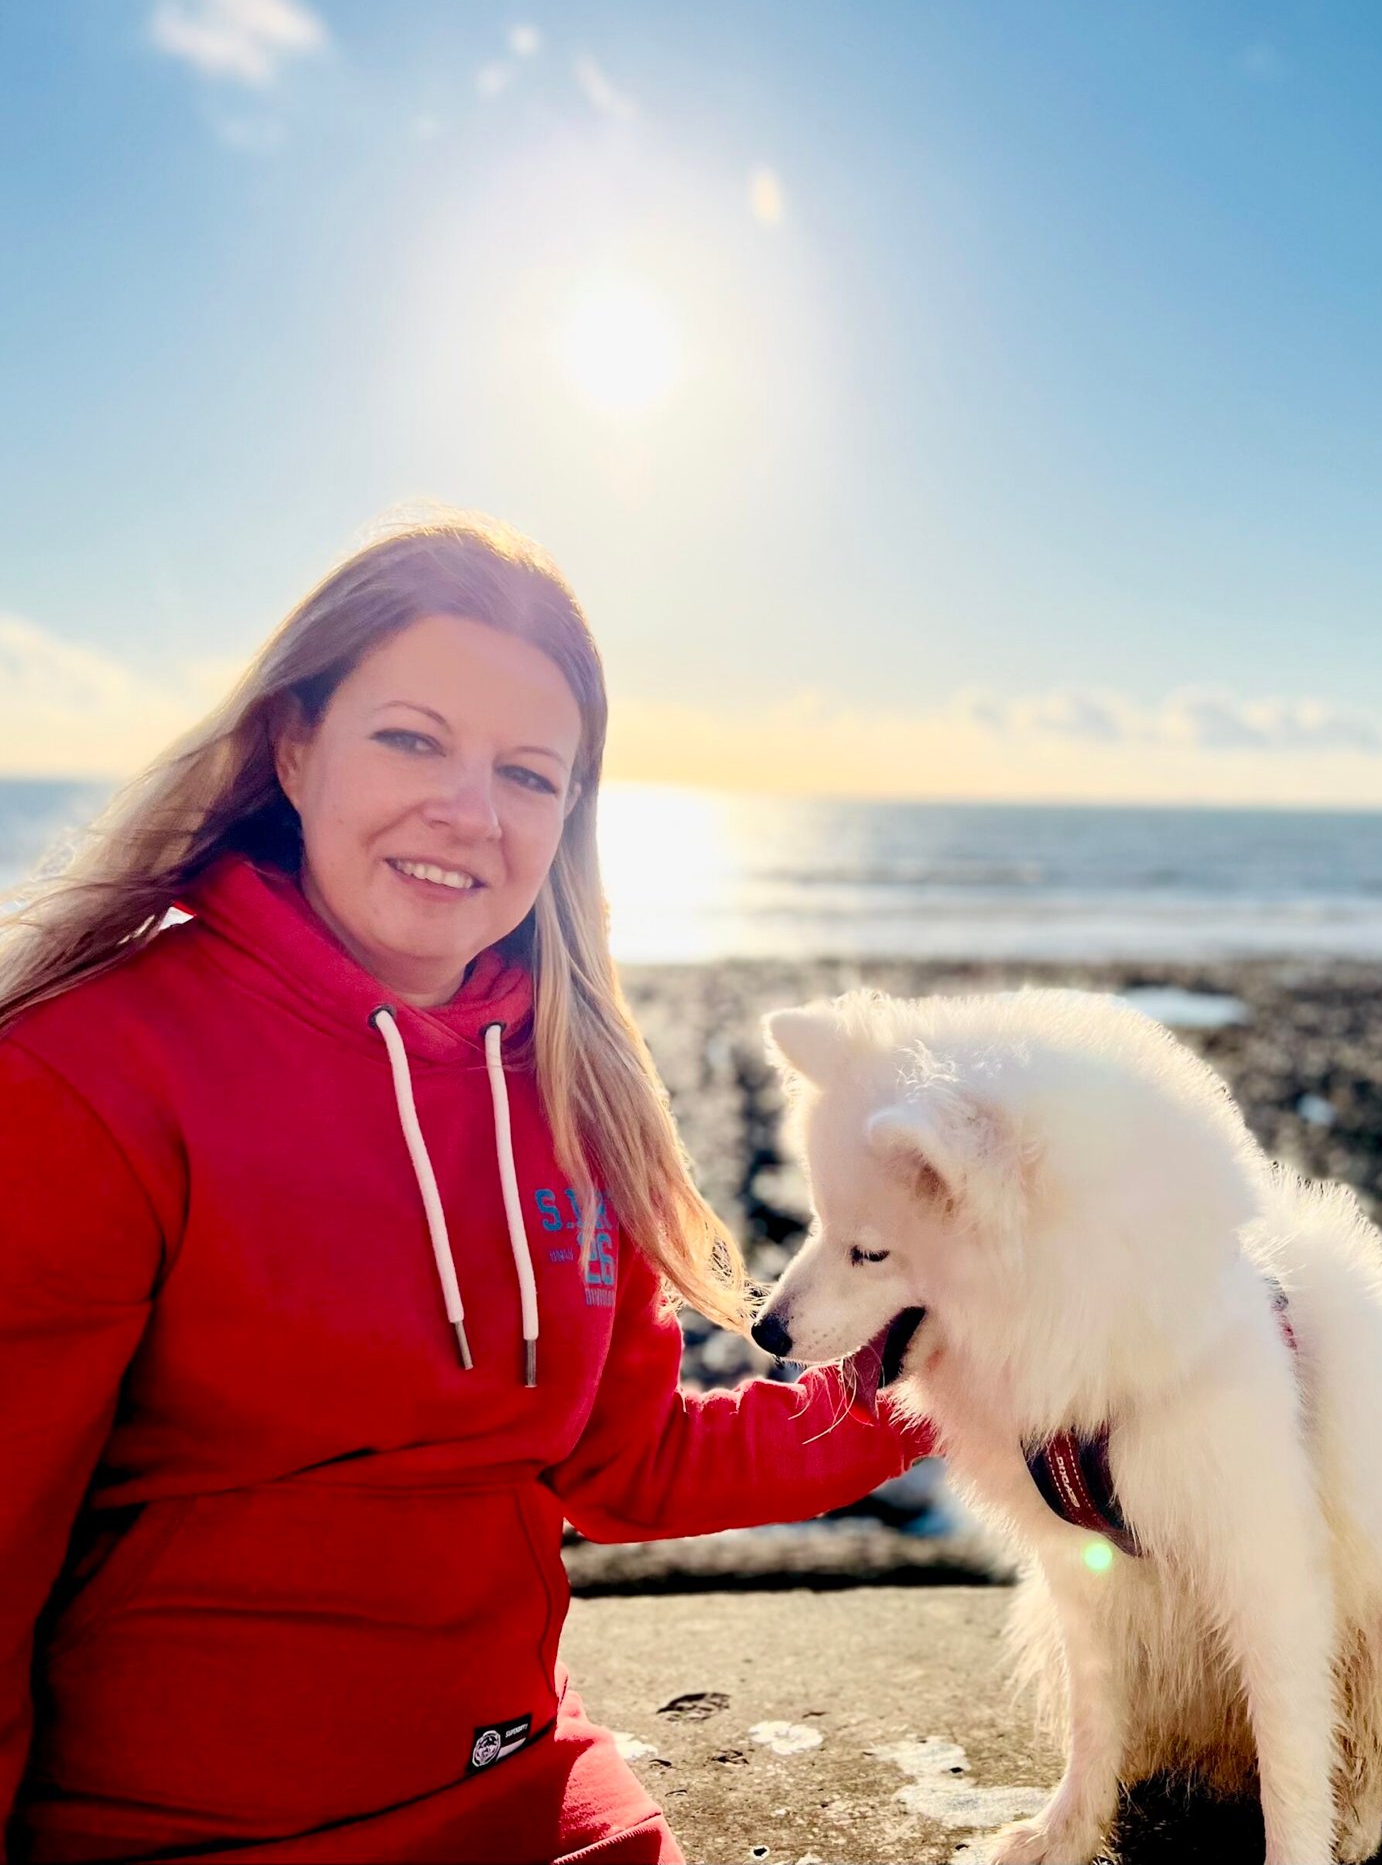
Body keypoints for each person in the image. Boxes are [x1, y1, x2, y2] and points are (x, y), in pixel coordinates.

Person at [0, 516, 930, 1864]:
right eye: (412, 739)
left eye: (528, 772)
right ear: (294, 744)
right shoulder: (85, 1076)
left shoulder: (572, 1083)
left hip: (526, 1795)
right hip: (185, 1834)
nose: (469, 811)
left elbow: (627, 1463)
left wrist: (952, 1383)